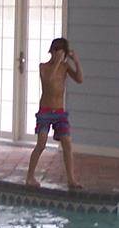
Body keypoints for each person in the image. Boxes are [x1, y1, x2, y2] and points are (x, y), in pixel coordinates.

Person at [26, 37, 83, 190]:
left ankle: (71, 179)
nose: (60, 55)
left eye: (62, 53)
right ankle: (30, 176)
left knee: (67, 143)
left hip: (59, 112)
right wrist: (57, 62)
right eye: (58, 52)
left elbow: (79, 79)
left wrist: (76, 61)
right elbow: (49, 81)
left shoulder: (65, 67)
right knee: (41, 144)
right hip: (45, 112)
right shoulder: (43, 67)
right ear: (52, 51)